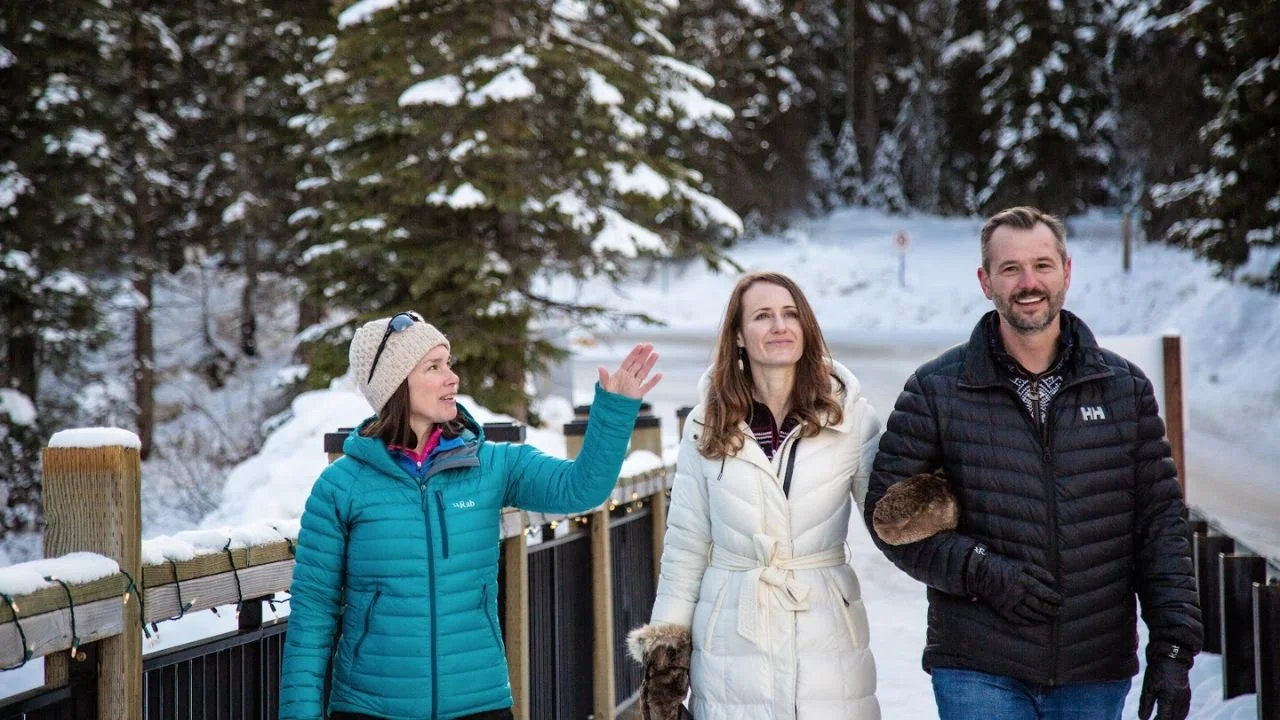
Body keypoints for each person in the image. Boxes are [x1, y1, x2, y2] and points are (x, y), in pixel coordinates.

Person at [864, 207, 1202, 720]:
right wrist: (982, 570)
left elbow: (1160, 525)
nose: (1029, 283)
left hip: (1094, 665)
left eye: (1042, 266)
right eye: (1010, 269)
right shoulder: (936, 389)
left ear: (1067, 271)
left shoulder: (1124, 389)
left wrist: (1173, 647)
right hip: (978, 663)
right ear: (985, 281)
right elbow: (888, 520)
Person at [279, 311, 662, 720]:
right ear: (395, 385)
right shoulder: (342, 485)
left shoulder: (491, 465)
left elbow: (581, 488)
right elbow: (313, 613)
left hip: (479, 702)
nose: (452, 377)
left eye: (449, 364)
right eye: (434, 367)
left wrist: (615, 411)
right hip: (371, 707)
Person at [629, 271, 885, 720]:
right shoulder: (705, 424)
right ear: (740, 336)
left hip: (826, 631)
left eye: (790, 315)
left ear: (806, 329)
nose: (779, 326)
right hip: (732, 634)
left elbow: (886, 518)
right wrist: (665, 666)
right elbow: (686, 546)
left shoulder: (851, 418)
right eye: (763, 316)